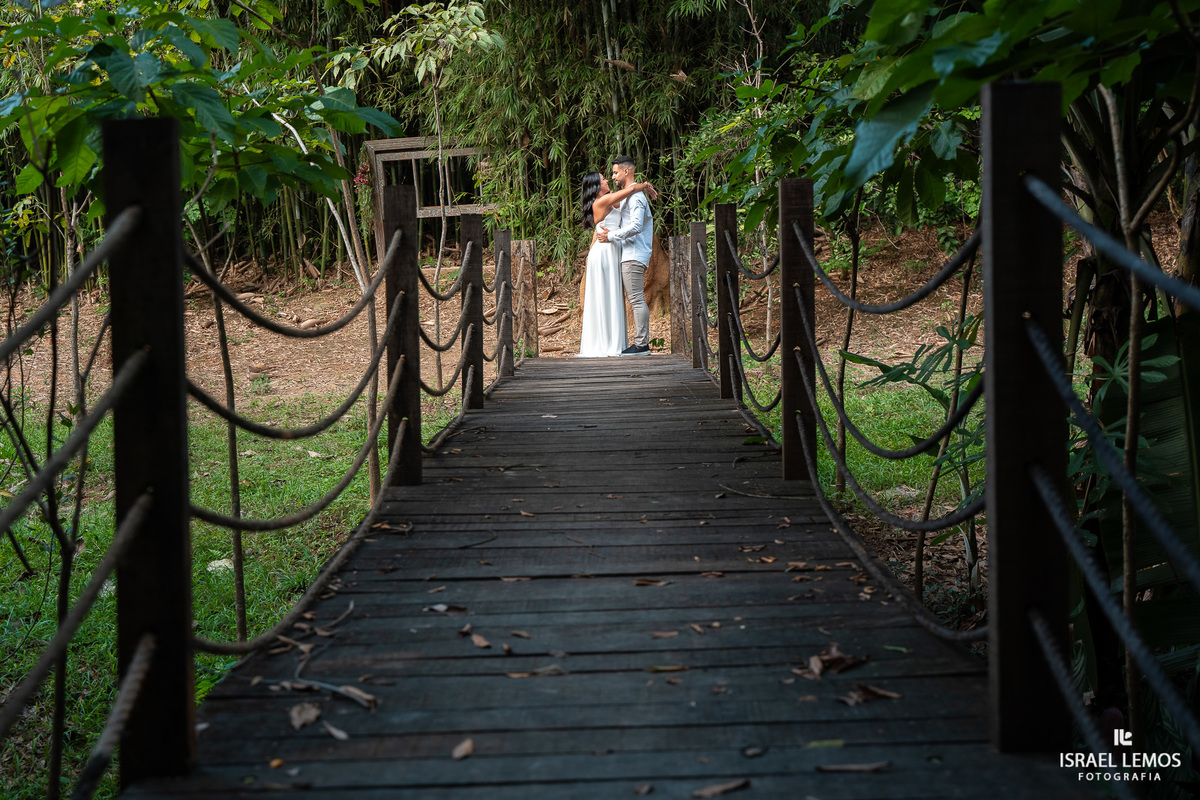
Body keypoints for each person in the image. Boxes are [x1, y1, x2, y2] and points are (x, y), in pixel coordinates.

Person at [578, 171, 657, 357]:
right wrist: (645, 185)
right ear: (597, 187)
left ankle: (614, 341)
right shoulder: (602, 201)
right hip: (604, 252)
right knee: (606, 294)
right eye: (604, 179)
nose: (607, 180)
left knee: (612, 295)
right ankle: (605, 343)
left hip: (614, 250)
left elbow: (628, 201)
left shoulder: (609, 200)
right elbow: (630, 190)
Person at [596, 155, 653, 355]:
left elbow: (636, 226)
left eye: (615, 172)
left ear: (626, 172)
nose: (613, 177)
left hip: (634, 253)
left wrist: (611, 236)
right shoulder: (630, 195)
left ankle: (641, 344)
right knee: (635, 298)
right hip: (630, 252)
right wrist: (645, 185)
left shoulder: (636, 197)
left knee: (636, 298)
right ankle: (640, 342)